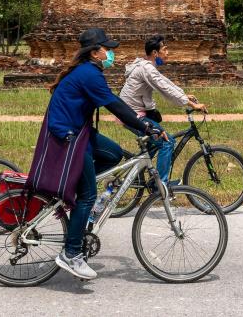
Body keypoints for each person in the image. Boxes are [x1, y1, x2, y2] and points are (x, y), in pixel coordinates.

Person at [42, 28, 160, 280]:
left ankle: (74, 185)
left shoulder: (88, 71)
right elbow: (115, 104)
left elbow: (113, 103)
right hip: (70, 136)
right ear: (95, 52)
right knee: (88, 195)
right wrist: (145, 125)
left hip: (80, 131)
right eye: (107, 49)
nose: (110, 53)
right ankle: (71, 253)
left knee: (114, 153)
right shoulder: (89, 74)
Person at [119, 34, 207, 185]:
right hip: (132, 115)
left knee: (155, 143)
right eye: (165, 50)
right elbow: (164, 88)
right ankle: (159, 185)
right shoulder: (147, 68)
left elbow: (165, 82)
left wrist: (183, 95)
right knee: (167, 142)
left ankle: (141, 169)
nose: (167, 53)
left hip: (132, 112)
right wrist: (190, 104)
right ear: (155, 53)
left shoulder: (147, 66)